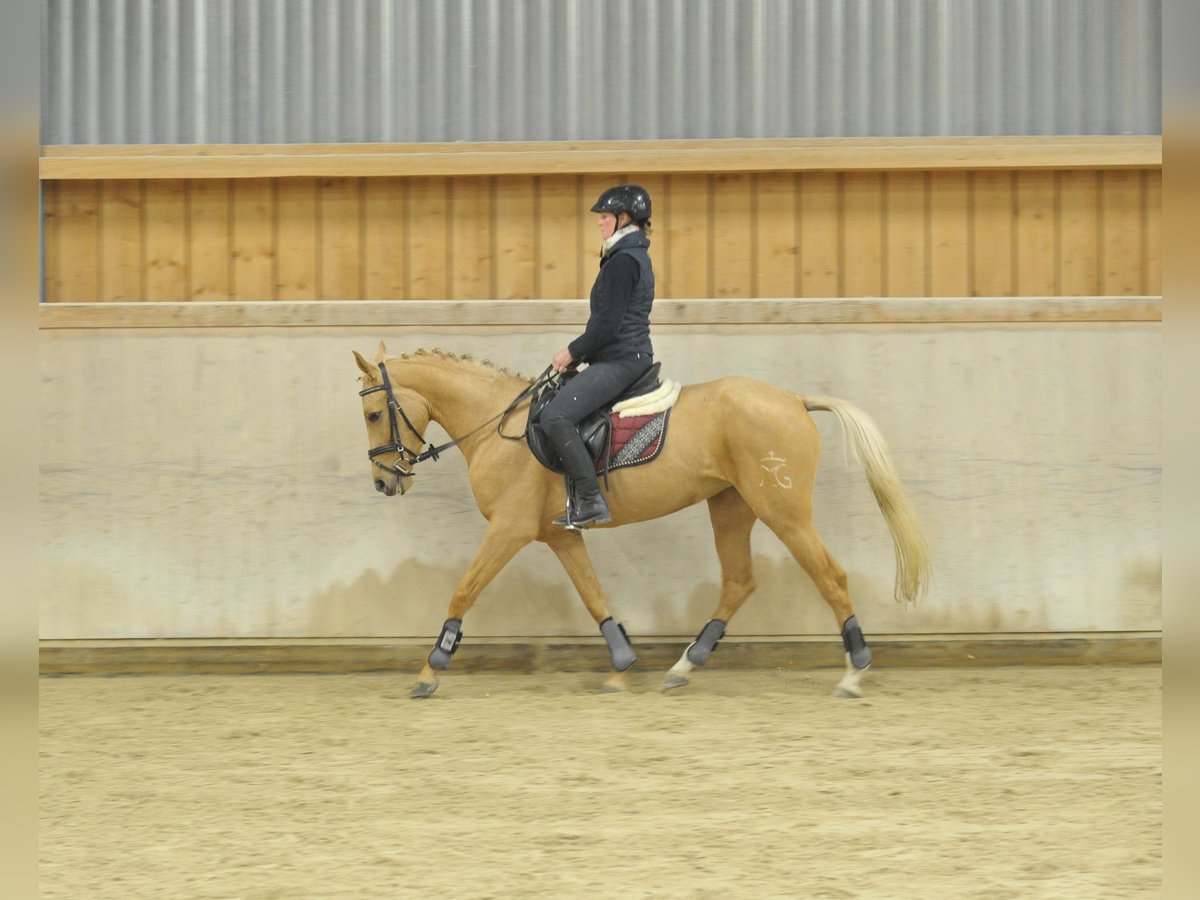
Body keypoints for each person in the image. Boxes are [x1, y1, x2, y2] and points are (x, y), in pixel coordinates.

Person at [542, 184, 657, 528]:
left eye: (604, 216)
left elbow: (607, 325)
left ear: (624, 219)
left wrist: (574, 350)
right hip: (620, 355)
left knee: (555, 416)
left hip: (622, 359)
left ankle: (591, 500)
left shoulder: (623, 261)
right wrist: (581, 356)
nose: (599, 222)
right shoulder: (626, 255)